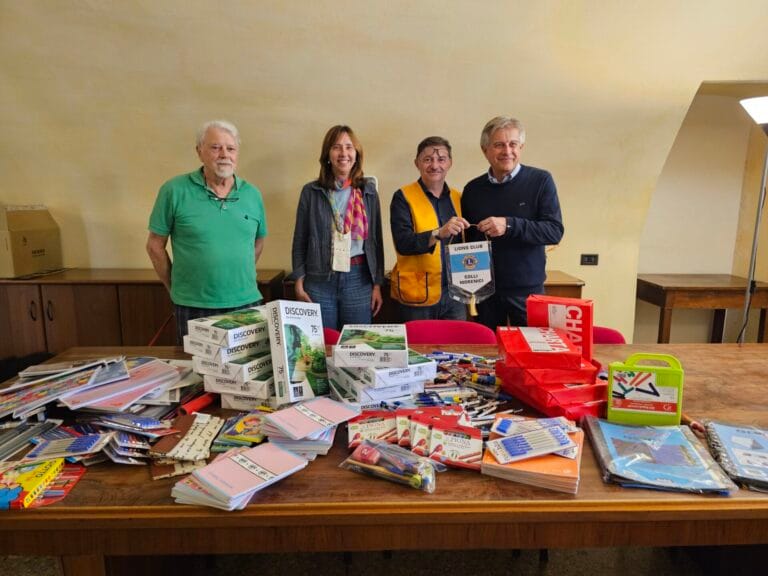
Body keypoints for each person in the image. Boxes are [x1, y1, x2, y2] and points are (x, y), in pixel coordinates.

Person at [146, 120, 268, 343]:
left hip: (246, 304)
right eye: (215, 147)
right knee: (198, 374)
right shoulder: (174, 191)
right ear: (199, 152)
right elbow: (155, 246)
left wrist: (237, 273)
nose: (224, 154)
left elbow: (258, 241)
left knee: (247, 374)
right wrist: (175, 288)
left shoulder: (252, 194)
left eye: (230, 148)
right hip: (195, 305)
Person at [461, 116, 564, 329]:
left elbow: (554, 231)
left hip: (526, 291)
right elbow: (469, 242)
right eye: (498, 145)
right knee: (486, 355)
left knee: (531, 352)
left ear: (521, 147)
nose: (507, 151)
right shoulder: (472, 189)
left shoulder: (541, 181)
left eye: (513, 144)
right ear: (485, 150)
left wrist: (509, 225)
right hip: (485, 291)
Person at [291, 125, 384, 330]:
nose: (343, 153)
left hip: (359, 279)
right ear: (328, 154)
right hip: (319, 279)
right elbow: (300, 239)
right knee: (321, 345)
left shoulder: (367, 191)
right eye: (336, 147)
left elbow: (376, 241)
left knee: (357, 346)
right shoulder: (311, 191)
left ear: (356, 154)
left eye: (349, 147)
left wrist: (377, 284)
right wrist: (298, 281)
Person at [390, 136, 470, 320]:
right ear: (416, 163)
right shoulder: (403, 197)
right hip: (417, 296)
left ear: (450, 163)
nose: (435, 165)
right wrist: (438, 233)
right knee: (417, 348)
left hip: (455, 294)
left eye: (441, 159)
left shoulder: (460, 197)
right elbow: (403, 243)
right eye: (428, 159)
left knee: (456, 347)